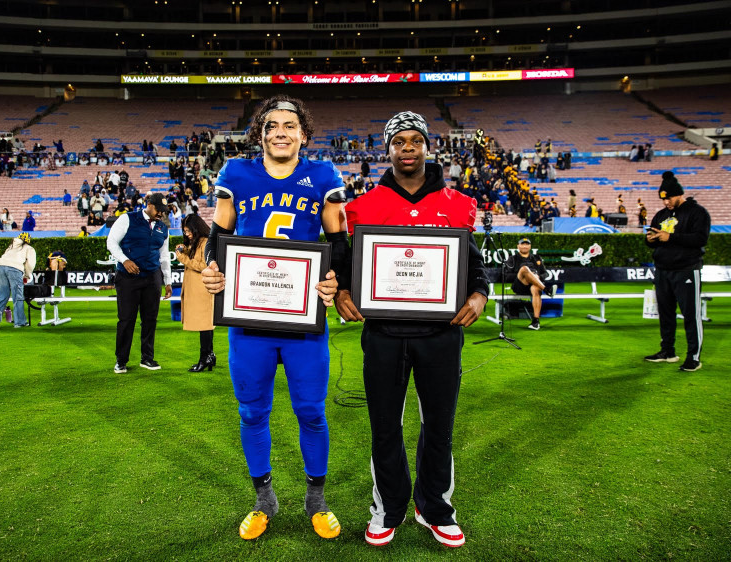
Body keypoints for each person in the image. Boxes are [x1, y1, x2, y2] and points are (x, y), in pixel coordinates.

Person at [335, 111, 489, 548]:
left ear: (427, 147)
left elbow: (474, 267)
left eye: (415, 140)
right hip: (384, 333)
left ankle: (436, 508)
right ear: (387, 148)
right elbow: (345, 266)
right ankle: (388, 508)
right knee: (385, 427)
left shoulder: (458, 204)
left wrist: (479, 294)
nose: (407, 148)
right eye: (398, 141)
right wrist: (342, 291)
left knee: (438, 427)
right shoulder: (362, 205)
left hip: (441, 334)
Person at [201, 95, 344, 541]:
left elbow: (338, 240)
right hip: (249, 317)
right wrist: (212, 268)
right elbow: (219, 234)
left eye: (289, 125)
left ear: (304, 133)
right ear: (259, 134)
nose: (280, 132)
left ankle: (315, 500)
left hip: (302, 316)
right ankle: (264, 499)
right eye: (271, 126)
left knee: (311, 412)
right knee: (251, 413)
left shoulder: (323, 176)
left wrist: (335, 279)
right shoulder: (236, 173)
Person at [644, 171, 711, 372]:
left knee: (691, 314)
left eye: (669, 198)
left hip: (687, 270)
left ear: (679, 194)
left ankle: (694, 357)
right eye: (663, 199)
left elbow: (701, 239)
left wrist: (670, 237)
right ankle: (668, 351)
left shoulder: (697, 213)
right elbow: (654, 237)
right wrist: (649, 240)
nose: (666, 203)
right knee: (665, 314)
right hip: (663, 270)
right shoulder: (661, 215)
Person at [107, 193, 172, 374]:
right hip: (127, 278)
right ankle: (121, 360)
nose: (161, 214)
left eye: (164, 211)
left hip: (152, 277)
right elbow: (111, 242)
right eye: (159, 209)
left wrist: (167, 281)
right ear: (149, 204)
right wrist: (125, 260)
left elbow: (164, 256)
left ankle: (147, 358)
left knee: (150, 320)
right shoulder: (127, 219)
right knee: (126, 320)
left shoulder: (162, 228)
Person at [174, 214, 215, 373]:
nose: (187, 234)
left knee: (204, 325)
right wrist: (185, 249)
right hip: (198, 289)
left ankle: (205, 358)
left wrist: (183, 257)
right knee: (205, 325)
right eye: (185, 231)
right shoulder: (199, 242)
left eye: (188, 230)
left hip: (202, 289)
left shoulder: (205, 242)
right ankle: (209, 355)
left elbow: (204, 265)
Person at [0, 232, 36, 328]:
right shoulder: (29, 248)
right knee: (18, 296)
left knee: (1, 295)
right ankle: (20, 322)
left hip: (0, 267)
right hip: (15, 269)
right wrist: (27, 276)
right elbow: (30, 264)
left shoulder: (11, 246)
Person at [504, 237, 556, 330]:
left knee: (535, 288)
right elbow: (506, 276)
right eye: (522, 244)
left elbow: (545, 273)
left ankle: (535, 321)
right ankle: (547, 290)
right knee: (524, 268)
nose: (524, 246)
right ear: (518, 246)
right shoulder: (513, 259)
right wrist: (525, 275)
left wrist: (537, 277)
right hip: (520, 285)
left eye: (527, 244)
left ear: (530, 246)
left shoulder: (537, 258)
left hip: (534, 285)